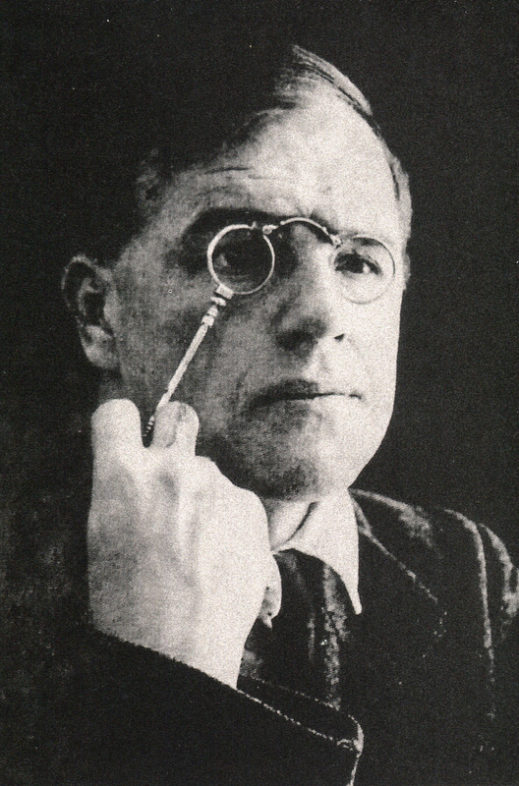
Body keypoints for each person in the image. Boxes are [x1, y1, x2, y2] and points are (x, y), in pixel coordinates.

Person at [5, 41, 518, 786]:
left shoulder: (466, 573)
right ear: (98, 313)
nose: (321, 314)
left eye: (357, 261)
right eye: (242, 254)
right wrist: (166, 689)